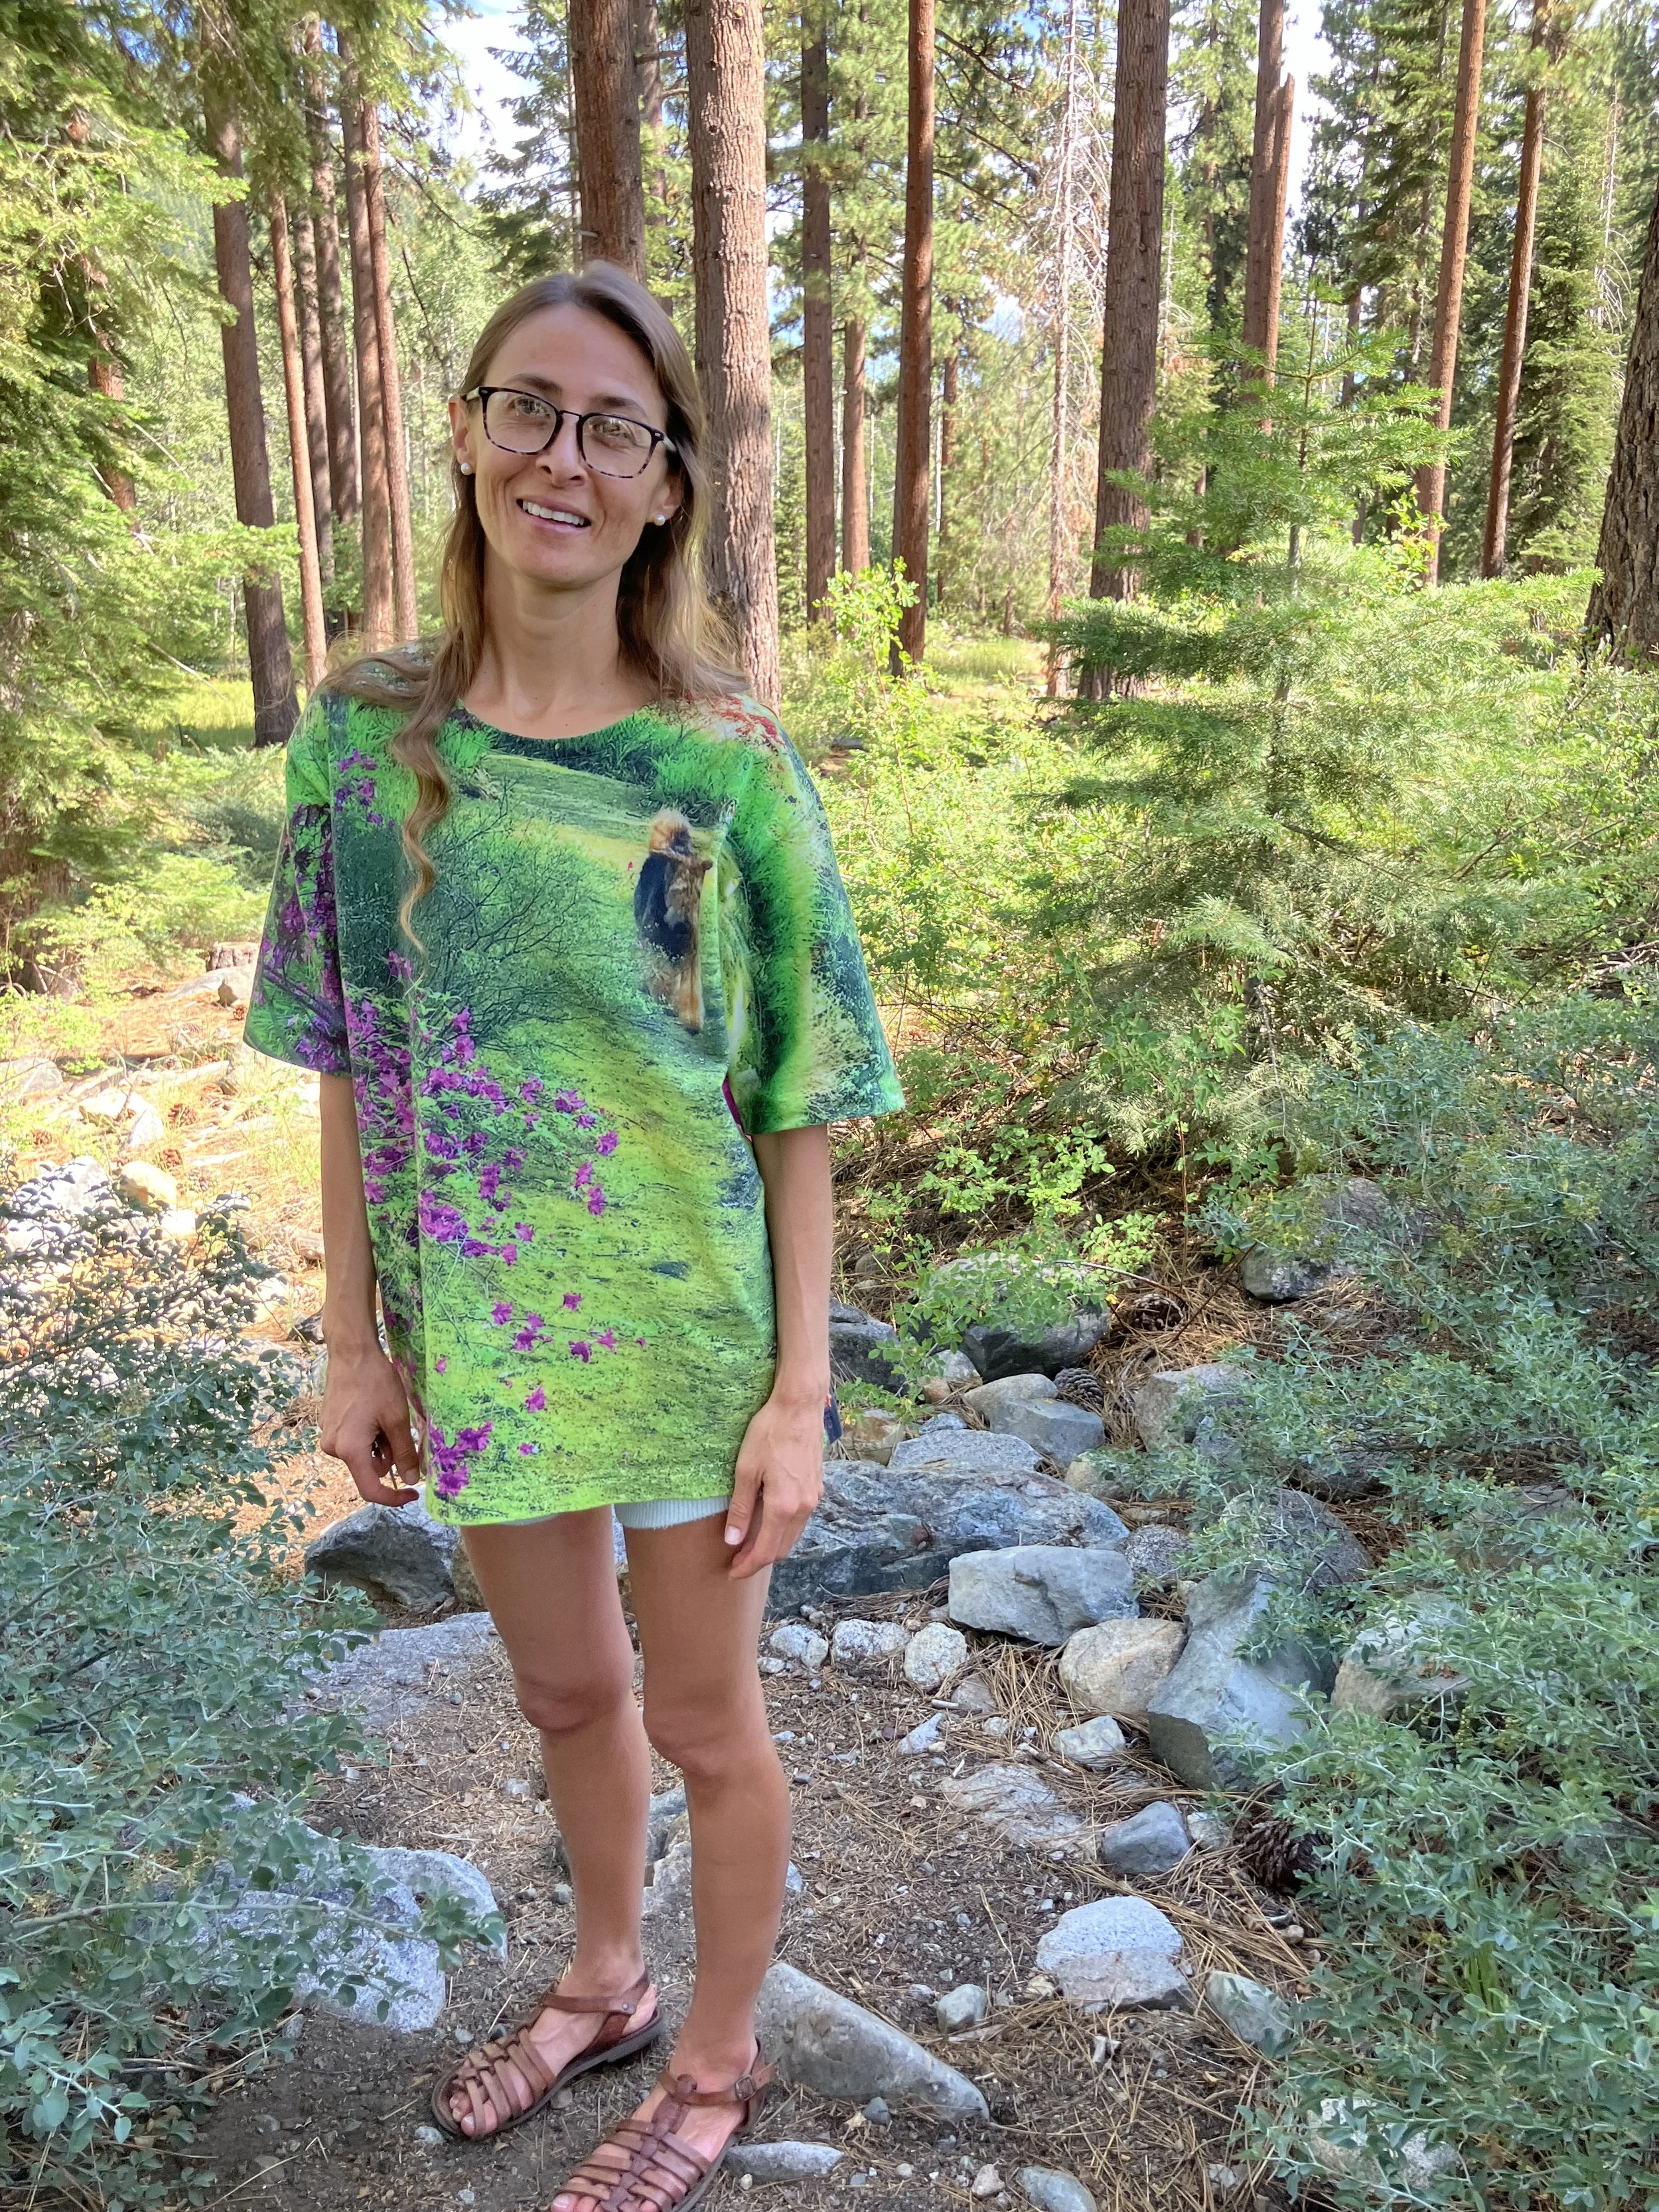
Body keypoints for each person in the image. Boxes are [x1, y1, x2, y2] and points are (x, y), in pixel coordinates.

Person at [243, 263, 903, 2212]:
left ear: (667, 483)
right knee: (559, 1693)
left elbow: (798, 1090)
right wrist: (356, 1338)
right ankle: (606, 1983)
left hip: (688, 1332)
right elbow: (345, 1052)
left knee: (703, 1715)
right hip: (484, 1324)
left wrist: (800, 1392)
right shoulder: (363, 742)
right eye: (528, 407)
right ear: (466, 432)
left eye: (617, 428)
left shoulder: (720, 760)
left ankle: (714, 2061)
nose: (565, 457)